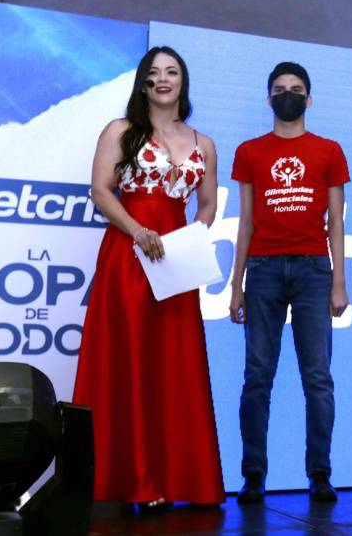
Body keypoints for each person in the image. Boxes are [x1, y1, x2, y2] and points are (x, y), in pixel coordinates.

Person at [73, 46, 224, 508]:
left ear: (183, 81)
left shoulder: (205, 143)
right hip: (128, 254)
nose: (163, 79)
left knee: (174, 367)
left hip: (174, 264)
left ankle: (179, 480)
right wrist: (138, 232)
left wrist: (190, 242)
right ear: (142, 82)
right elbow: (101, 190)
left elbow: (207, 206)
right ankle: (134, 480)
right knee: (132, 361)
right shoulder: (121, 131)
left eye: (172, 71)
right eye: (154, 72)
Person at [229, 62, 350, 503]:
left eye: (296, 89)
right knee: (257, 377)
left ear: (309, 99)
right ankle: (254, 475)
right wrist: (235, 284)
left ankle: (320, 473)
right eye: (279, 89)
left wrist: (340, 279)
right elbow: (244, 222)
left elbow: (336, 220)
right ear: (268, 99)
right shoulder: (249, 151)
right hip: (261, 270)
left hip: (314, 271)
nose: (288, 95)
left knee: (317, 377)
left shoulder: (330, 150)